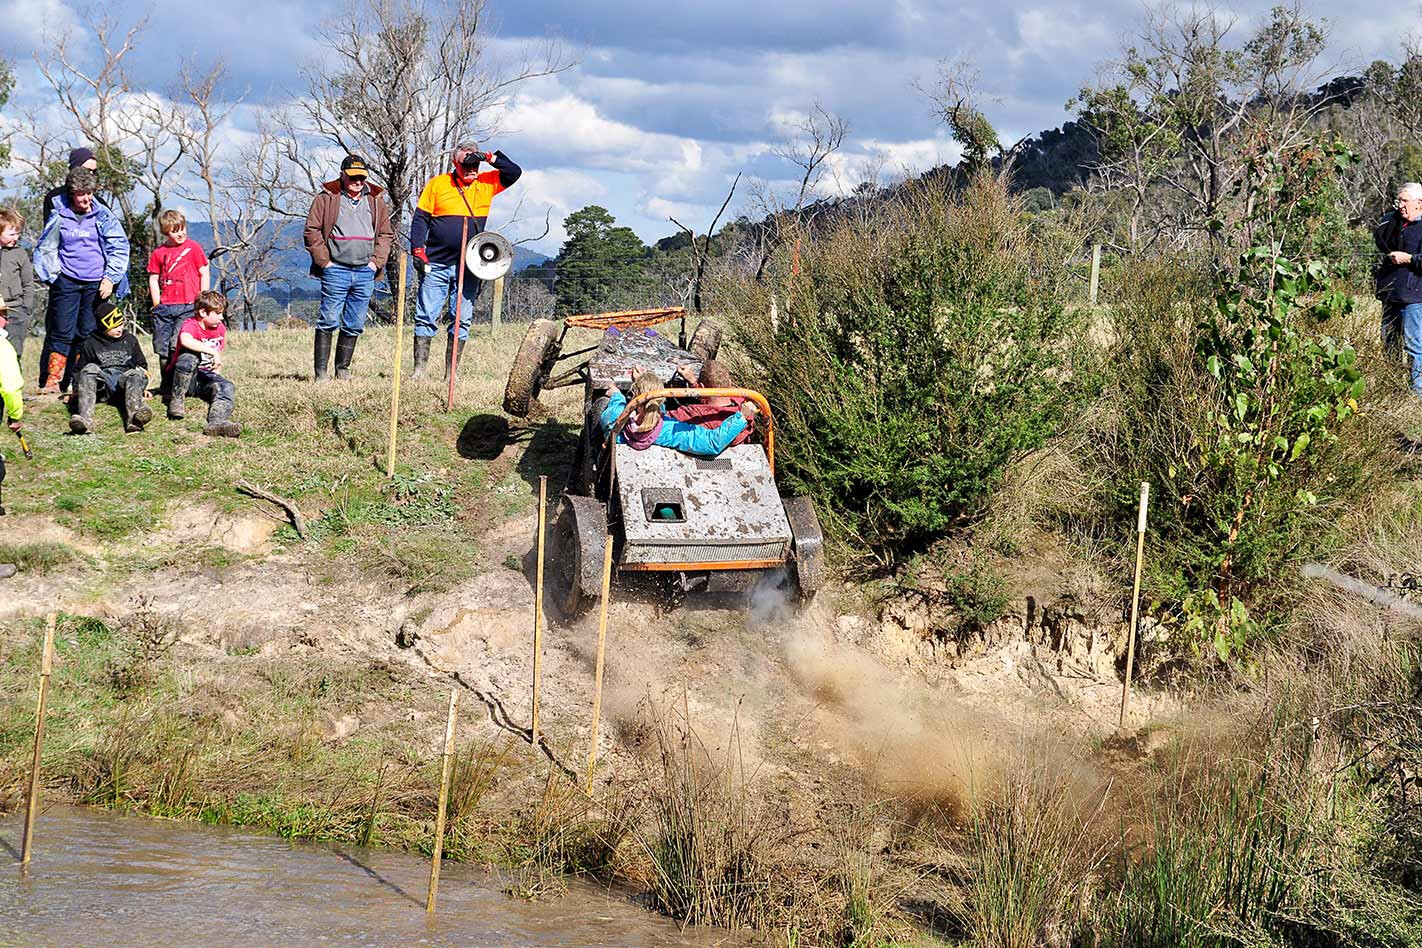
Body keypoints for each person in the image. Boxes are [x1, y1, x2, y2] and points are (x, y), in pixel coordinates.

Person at [408, 142, 521, 379]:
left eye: (475, 164)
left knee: (461, 318)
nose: (471, 169)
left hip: (470, 265)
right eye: (466, 164)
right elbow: (420, 219)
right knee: (426, 315)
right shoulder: (438, 184)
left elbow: (513, 172)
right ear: (454, 164)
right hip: (436, 263)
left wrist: (490, 157)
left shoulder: (487, 182)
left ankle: (451, 374)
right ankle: (419, 370)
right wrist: (418, 250)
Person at [33, 166, 131, 394]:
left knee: (86, 333)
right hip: (66, 280)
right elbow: (47, 246)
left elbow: (119, 246)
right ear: (71, 194)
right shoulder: (59, 212)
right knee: (61, 332)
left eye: (89, 193)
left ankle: (80, 382)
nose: (86, 198)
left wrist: (110, 278)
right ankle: (53, 382)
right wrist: (53, 276)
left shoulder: (103, 215)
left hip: (95, 283)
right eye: (81, 194)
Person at [303, 155, 394, 381]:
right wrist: (325, 262)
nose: (358, 181)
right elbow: (312, 231)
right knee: (329, 320)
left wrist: (376, 262)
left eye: (362, 177)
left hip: (365, 270)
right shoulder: (327, 198)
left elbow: (385, 233)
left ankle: (342, 370)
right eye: (353, 177)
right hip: (336, 269)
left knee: (354, 323)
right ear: (342, 175)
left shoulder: (375, 199)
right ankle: (321, 374)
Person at [599, 369, 756, 456]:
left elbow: (616, 412)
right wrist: (741, 416)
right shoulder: (670, 431)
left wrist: (617, 395)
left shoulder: (615, 420)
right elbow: (712, 443)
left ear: (634, 396)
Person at [69, 298, 151, 435]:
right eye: (114, 327)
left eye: (120, 324)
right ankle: (85, 421)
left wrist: (142, 387)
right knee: (89, 369)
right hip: (103, 387)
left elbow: (142, 366)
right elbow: (79, 370)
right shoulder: (90, 343)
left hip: (125, 385)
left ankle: (135, 419)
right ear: (103, 327)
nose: (119, 329)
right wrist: (76, 390)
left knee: (134, 373)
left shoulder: (130, 340)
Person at [168, 290, 240, 438]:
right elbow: (185, 340)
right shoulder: (190, 324)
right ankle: (177, 401)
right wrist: (213, 352)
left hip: (204, 377)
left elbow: (217, 357)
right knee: (188, 357)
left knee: (227, 386)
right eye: (218, 313)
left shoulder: (220, 328)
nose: (221, 317)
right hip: (184, 377)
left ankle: (217, 423)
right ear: (203, 312)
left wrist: (216, 375)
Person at [147, 208, 210, 369]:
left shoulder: (193, 248)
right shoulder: (159, 253)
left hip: (189, 305)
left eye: (182, 229)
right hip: (165, 307)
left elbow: (204, 272)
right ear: (166, 232)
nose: (181, 234)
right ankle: (166, 385)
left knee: (179, 343)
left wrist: (203, 300)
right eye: (175, 231)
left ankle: (182, 379)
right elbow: (153, 278)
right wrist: (156, 304)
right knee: (162, 346)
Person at [1376, 182, 1422, 394]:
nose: (1400, 205)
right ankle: (1392, 389)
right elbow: (1380, 238)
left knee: (1415, 347)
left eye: (1405, 201)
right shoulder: (1394, 222)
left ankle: (1416, 393)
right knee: (1389, 344)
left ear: (1419, 203)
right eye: (1399, 200)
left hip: (1414, 298)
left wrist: (1409, 259)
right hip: (1390, 294)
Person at [668, 359, 753, 447]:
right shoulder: (745, 407)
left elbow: (658, 422)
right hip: (735, 458)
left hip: (704, 460)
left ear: (702, 387)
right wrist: (693, 383)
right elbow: (714, 398)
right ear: (730, 383)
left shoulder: (691, 414)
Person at [0, 207, 36, 360]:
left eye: (18, 233)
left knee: (15, 352)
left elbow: (28, 283)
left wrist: (25, 308)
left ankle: (15, 381)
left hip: (16, 310)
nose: (16, 237)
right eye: (11, 233)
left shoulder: (20, 253)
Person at [41, 147, 103, 226]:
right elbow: (50, 234)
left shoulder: (100, 204)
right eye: (87, 170)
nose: (90, 174)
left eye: (94, 171)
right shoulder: (54, 199)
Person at [0, 305, 23, 516]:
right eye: (4, 315)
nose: (6, 320)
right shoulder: (3, 348)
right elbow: (10, 387)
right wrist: (15, 416)